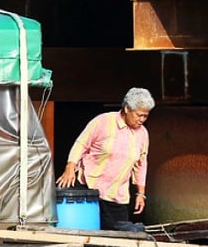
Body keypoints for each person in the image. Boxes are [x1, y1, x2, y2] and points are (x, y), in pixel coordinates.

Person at [56, 87, 154, 231]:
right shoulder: (103, 122)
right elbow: (81, 144)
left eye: (145, 116)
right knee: (88, 233)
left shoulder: (142, 133)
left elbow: (141, 164)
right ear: (127, 108)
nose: (142, 120)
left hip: (117, 196)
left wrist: (141, 193)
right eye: (139, 115)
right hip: (90, 190)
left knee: (119, 238)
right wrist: (70, 167)